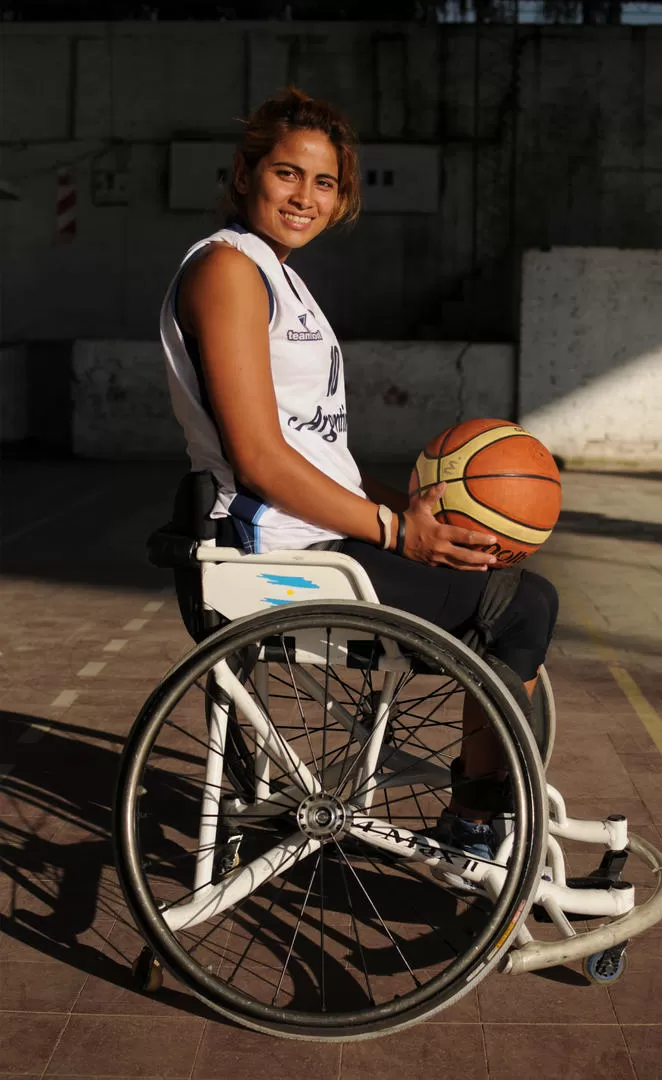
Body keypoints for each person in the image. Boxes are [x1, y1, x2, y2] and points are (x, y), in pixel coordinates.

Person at [160, 88, 558, 865]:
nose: (305, 197)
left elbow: (308, 446)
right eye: (286, 174)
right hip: (275, 554)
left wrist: (397, 510)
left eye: (325, 182)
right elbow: (260, 458)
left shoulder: (278, 275)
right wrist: (392, 530)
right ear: (244, 175)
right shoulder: (227, 271)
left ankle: (486, 805)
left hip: (316, 537)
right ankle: (480, 824)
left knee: (498, 577)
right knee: (519, 607)